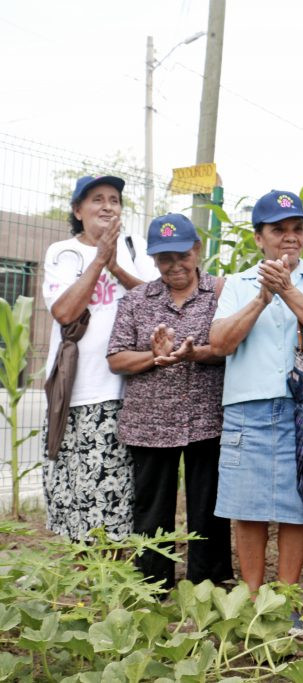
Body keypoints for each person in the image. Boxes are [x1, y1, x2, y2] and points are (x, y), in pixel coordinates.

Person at [209, 190, 303, 610]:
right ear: (258, 238)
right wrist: (262, 297)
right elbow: (221, 342)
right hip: (249, 408)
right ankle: (252, 599)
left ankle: (285, 602)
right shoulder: (237, 285)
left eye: (297, 229)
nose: (290, 238)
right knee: (248, 507)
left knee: (300, 506)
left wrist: (287, 291)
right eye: (278, 230)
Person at [106, 213, 232, 587]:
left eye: (182, 254)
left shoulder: (221, 294)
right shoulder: (136, 301)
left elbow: (231, 348)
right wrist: (153, 356)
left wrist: (196, 353)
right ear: (154, 259)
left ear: (197, 249)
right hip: (150, 422)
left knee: (208, 505)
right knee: (151, 506)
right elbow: (116, 359)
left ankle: (208, 585)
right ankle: (151, 585)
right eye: (164, 258)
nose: (175, 265)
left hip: (207, 417)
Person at [41, 174, 150, 541]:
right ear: (77, 210)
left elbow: (155, 302)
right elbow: (65, 311)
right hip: (76, 391)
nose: (107, 206)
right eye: (97, 199)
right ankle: (84, 579)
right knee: (73, 492)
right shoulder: (63, 252)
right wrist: (100, 258)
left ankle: (114, 577)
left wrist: (117, 265)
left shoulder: (135, 248)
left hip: (125, 392)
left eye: (114, 199)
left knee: (117, 493)